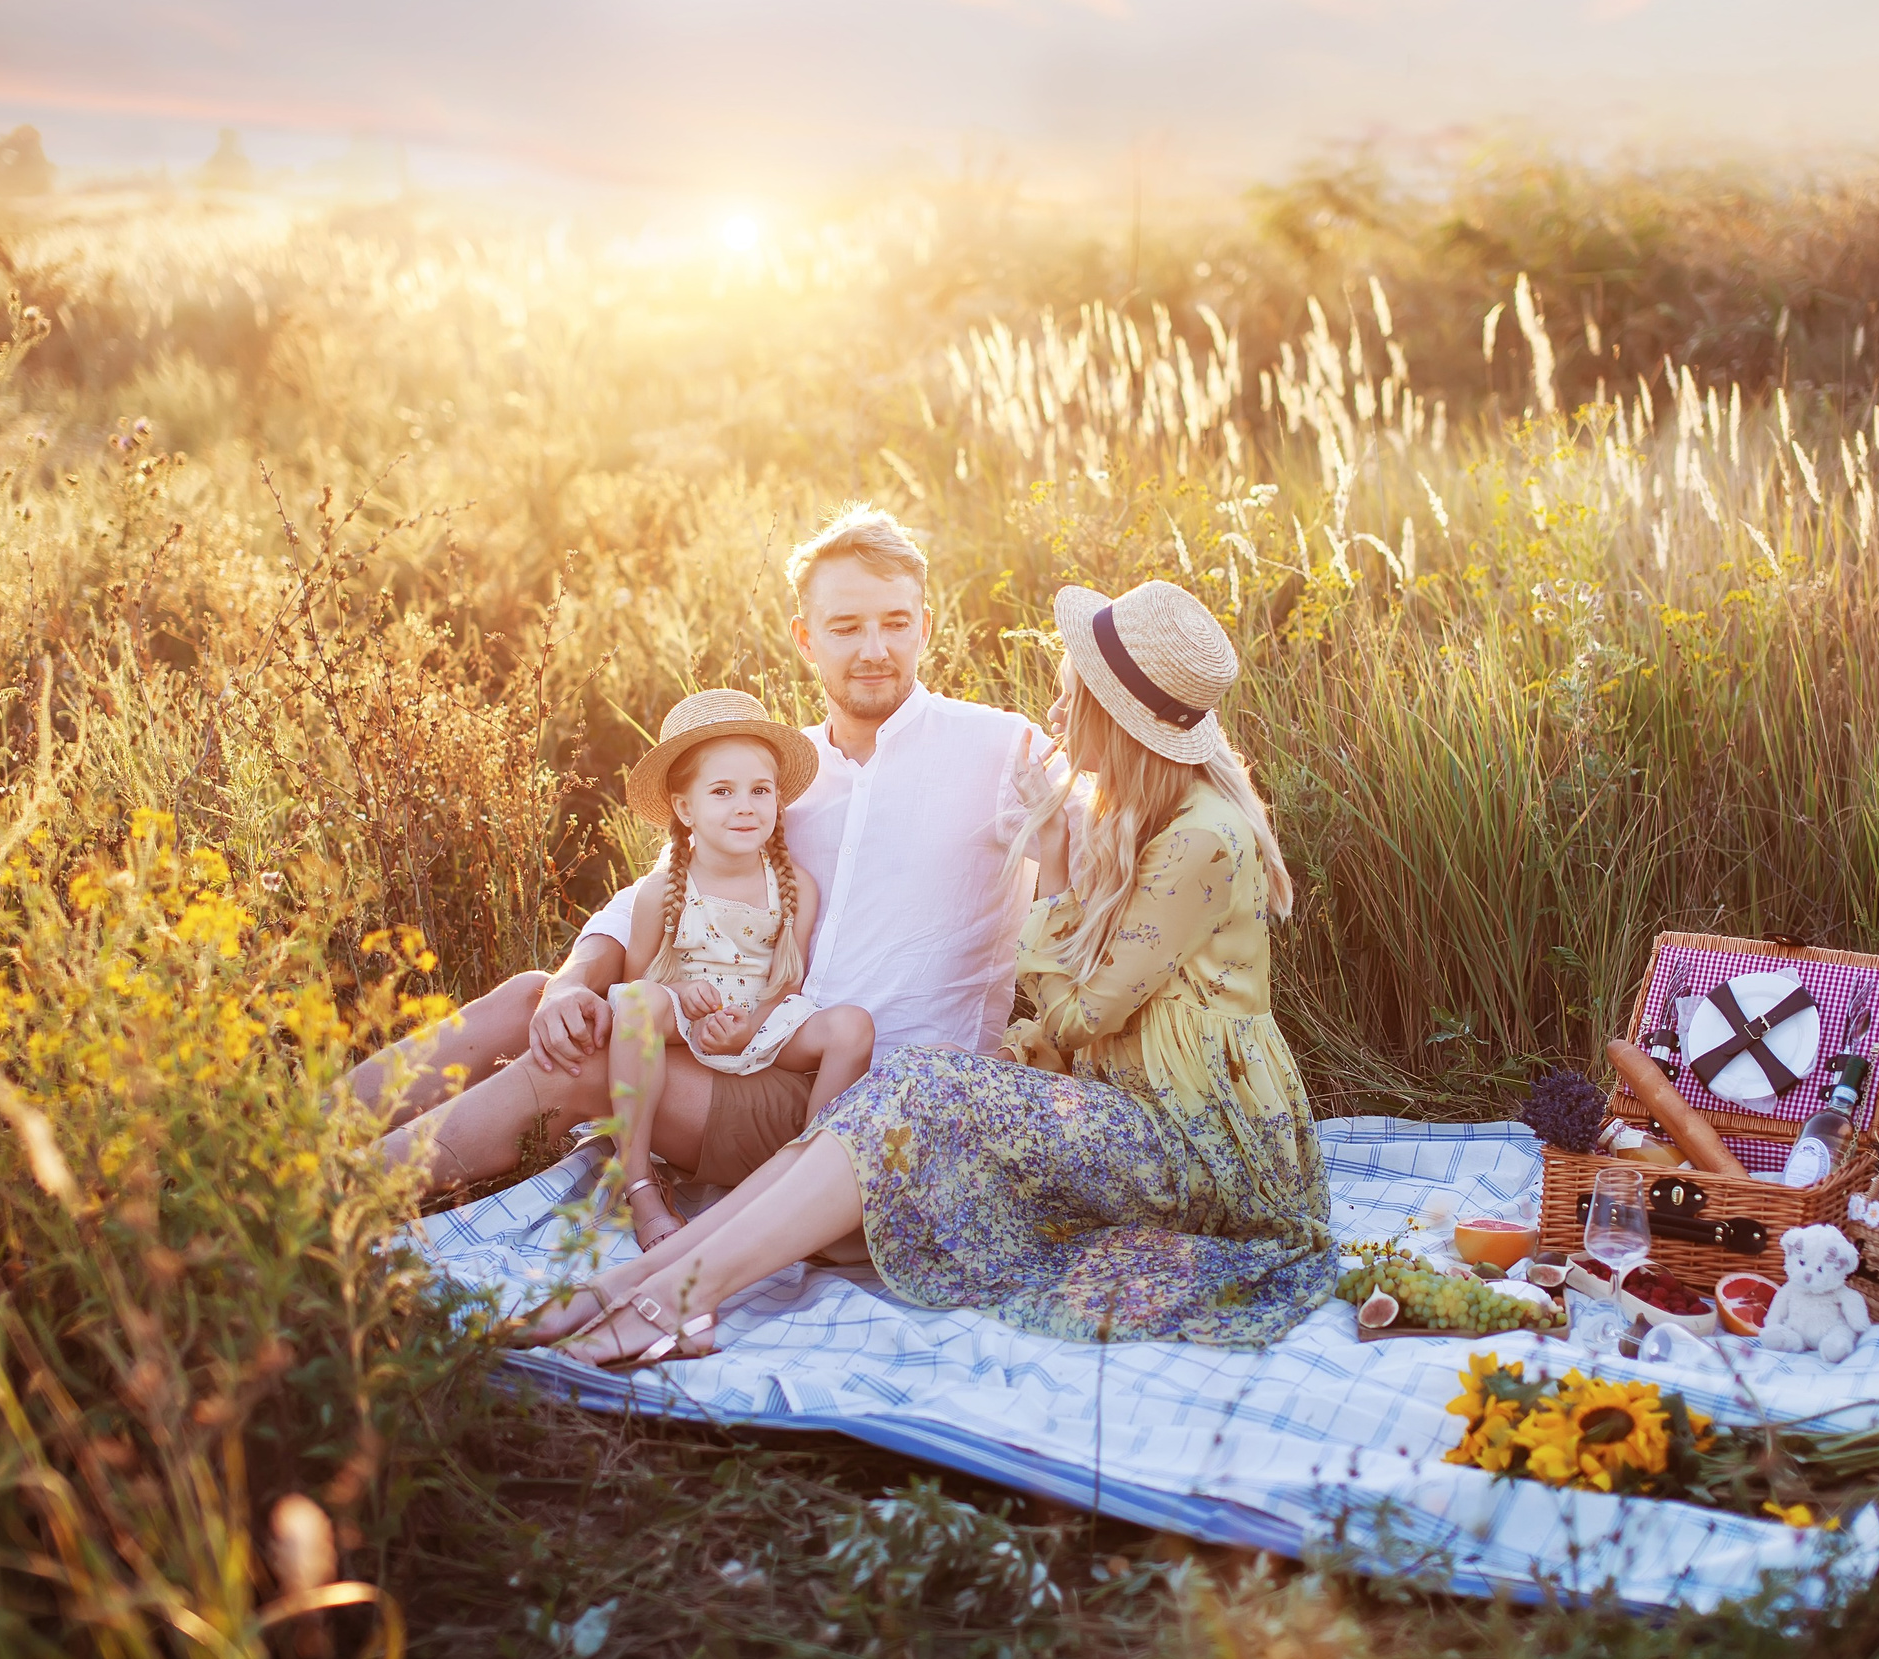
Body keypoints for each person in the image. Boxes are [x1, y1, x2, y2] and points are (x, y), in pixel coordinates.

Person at [527, 578, 1335, 1367]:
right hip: (1136, 1110)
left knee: (924, 1085)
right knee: (911, 1079)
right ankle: (642, 1277)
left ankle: (670, 1295)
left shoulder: (1201, 835)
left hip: (1201, 1144)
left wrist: (1050, 872)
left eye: (1069, 697)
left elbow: (1085, 1014)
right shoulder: (1146, 816)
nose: (1053, 714)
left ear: (1117, 716)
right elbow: (1086, 1028)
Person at [349, 505, 1066, 1205]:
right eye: (846, 627)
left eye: (896, 623)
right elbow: (660, 889)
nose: (874, 648)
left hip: (864, 1099)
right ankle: (292, 1139)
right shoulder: (786, 773)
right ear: (806, 639)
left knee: (585, 1063)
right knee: (531, 997)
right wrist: (572, 984)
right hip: (748, 1043)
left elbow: (1110, 859)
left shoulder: (1003, 749)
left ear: (925, 626)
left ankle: (332, 1199)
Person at [601, 689, 874, 1247]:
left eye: (760, 790)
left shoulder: (795, 887)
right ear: (684, 808)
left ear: (778, 799)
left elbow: (787, 983)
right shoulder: (662, 893)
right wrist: (683, 992)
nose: (745, 806)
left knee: (853, 1026)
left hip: (761, 1026)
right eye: (722, 792)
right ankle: (640, 1185)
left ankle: (803, 1184)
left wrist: (752, 1023)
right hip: (687, 1024)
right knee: (636, 1006)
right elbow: (637, 985)